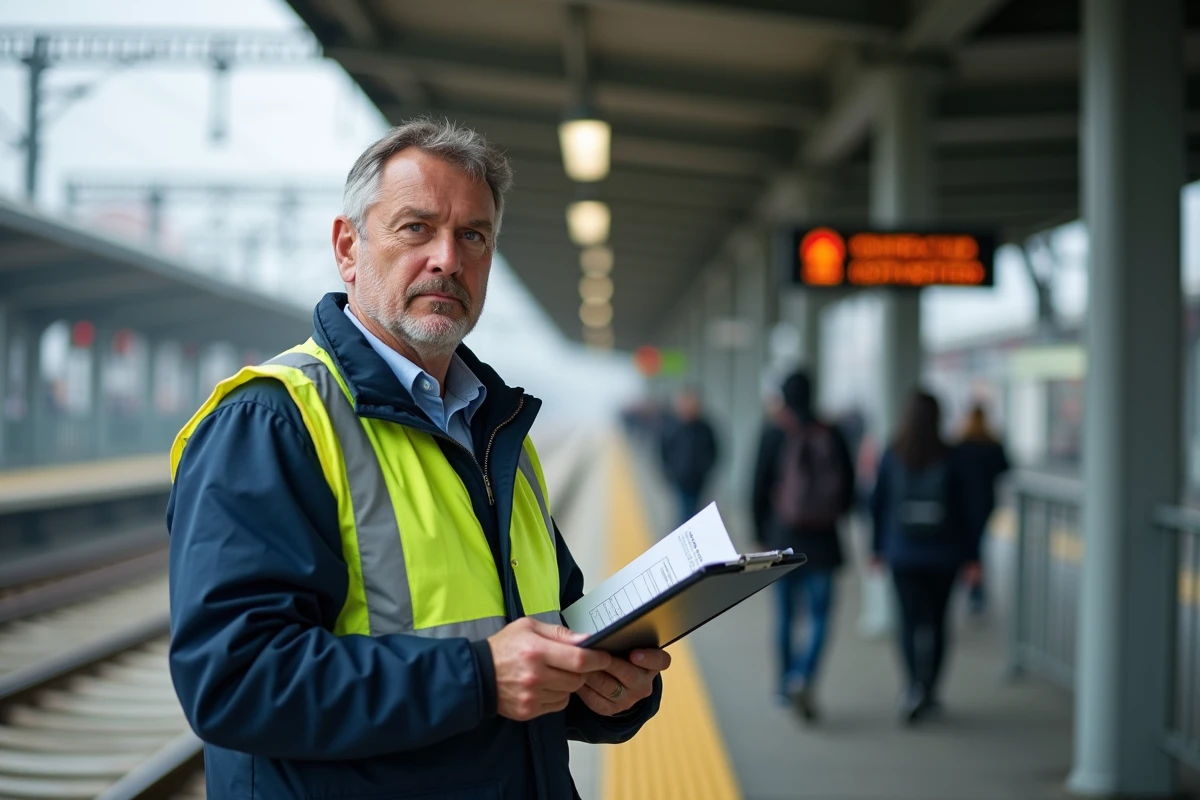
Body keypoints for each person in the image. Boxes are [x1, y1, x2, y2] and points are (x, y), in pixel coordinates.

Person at [166, 119, 669, 799]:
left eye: (473, 236)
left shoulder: (497, 431)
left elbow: (543, 638)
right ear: (348, 247)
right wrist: (480, 678)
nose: (447, 259)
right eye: (415, 228)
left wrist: (609, 690)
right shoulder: (271, 422)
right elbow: (236, 680)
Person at [751, 371, 855, 720]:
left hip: (783, 539)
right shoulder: (832, 431)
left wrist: (760, 531)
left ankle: (784, 685)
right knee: (821, 616)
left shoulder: (774, 432)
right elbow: (850, 488)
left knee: (784, 615)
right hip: (823, 541)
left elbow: (758, 485)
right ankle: (803, 676)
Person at [871, 390, 978, 725]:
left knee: (908, 622)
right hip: (944, 555)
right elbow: (968, 510)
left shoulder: (893, 454)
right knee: (937, 623)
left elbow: (877, 504)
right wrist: (973, 557)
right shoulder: (954, 456)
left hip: (902, 554)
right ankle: (929, 689)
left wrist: (876, 548)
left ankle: (911, 686)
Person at [955, 402, 1010, 615]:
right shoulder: (992, 443)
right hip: (985, 502)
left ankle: (973, 587)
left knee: (969, 545)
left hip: (962, 503)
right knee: (978, 545)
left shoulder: (961, 444)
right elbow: (1005, 467)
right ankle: (976, 591)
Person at [659, 388, 719, 525]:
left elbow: (714, 451)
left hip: (698, 480)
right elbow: (663, 452)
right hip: (679, 479)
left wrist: (705, 470)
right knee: (683, 511)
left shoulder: (705, 428)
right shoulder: (672, 427)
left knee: (694, 511)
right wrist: (669, 472)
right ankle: (683, 537)